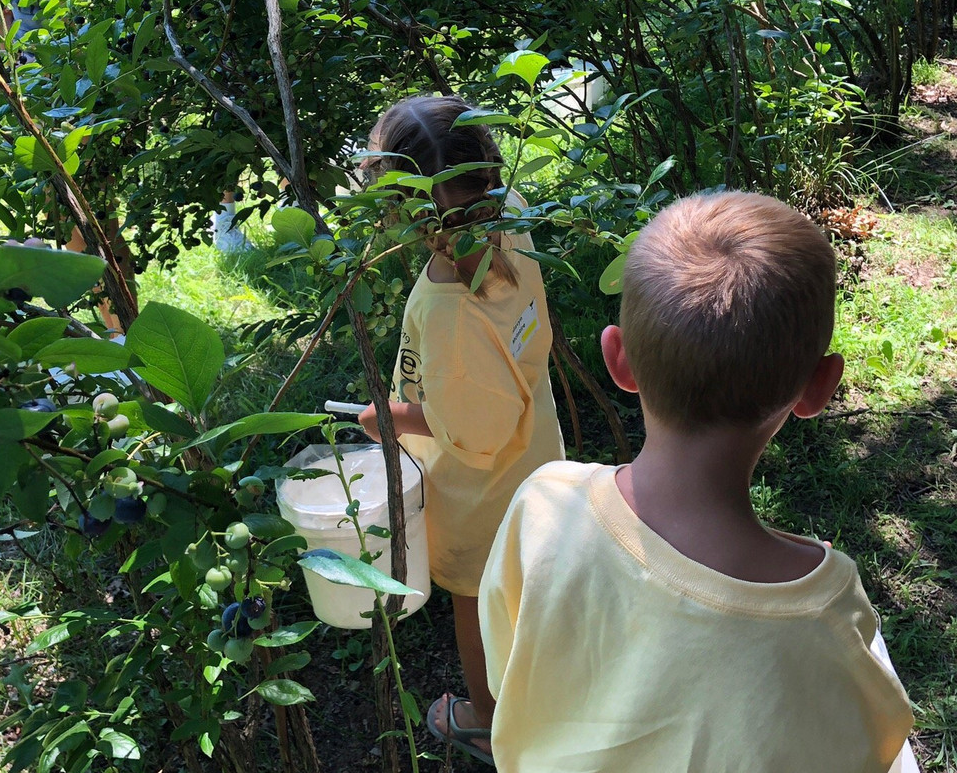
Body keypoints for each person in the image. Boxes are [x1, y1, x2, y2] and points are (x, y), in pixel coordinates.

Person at [478, 191, 916, 772]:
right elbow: (868, 750)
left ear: (618, 359)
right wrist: (800, 575)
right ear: (818, 387)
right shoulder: (824, 615)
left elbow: (507, 671)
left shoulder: (544, 505)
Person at [357, 95, 565, 764]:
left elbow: (475, 435)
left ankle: (486, 719)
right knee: (528, 587)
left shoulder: (449, 312)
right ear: (488, 171)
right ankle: (550, 692)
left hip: (479, 495)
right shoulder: (511, 219)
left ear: (399, 208)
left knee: (477, 603)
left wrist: (391, 418)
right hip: (536, 459)